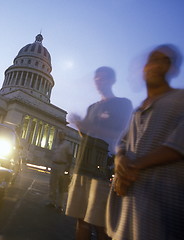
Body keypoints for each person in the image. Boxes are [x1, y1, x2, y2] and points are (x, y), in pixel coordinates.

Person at [106, 44, 184, 240]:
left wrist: (132, 167)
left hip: (172, 209)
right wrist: (119, 161)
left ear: (172, 69)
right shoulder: (137, 111)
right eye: (152, 60)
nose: (156, 65)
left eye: (164, 60)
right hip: (133, 205)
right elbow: (122, 143)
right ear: (144, 67)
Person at [65, 66, 133, 240]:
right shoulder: (92, 107)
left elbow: (121, 134)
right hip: (83, 167)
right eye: (96, 78)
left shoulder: (122, 104)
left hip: (104, 169)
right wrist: (80, 126)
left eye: (102, 77)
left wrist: (88, 126)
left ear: (111, 80)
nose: (98, 81)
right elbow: (87, 136)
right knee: (81, 221)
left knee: (102, 225)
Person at [47, 131, 73, 212]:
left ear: (64, 135)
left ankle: (60, 205)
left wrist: (68, 168)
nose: (60, 135)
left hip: (62, 166)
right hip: (54, 164)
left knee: (61, 186)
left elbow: (70, 156)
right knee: (52, 184)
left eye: (62, 134)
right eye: (59, 134)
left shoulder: (67, 144)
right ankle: (52, 202)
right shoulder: (56, 143)